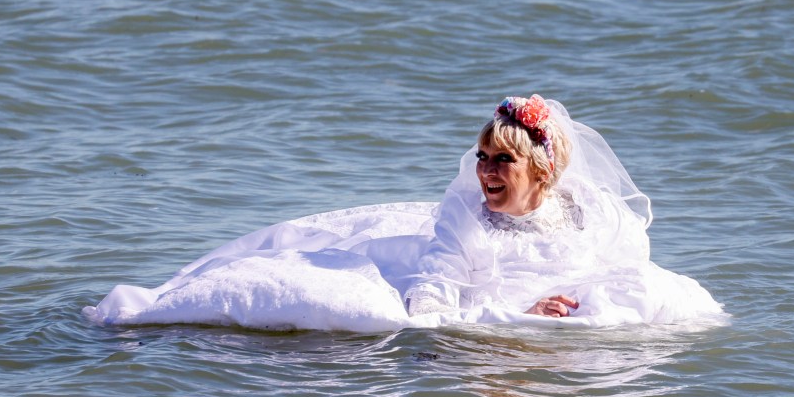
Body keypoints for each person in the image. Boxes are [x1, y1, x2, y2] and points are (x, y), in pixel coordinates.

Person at [84, 94, 724, 332]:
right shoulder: (465, 217)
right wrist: (517, 317)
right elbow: (431, 310)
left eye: (501, 162)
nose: (484, 172)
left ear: (543, 171)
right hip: (472, 338)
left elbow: (624, 260)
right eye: (480, 157)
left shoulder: (586, 210)